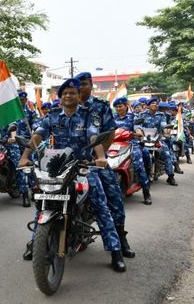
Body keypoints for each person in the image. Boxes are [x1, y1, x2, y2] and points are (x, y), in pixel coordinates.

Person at [19, 78, 126, 272]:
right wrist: (25, 156)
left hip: (84, 166)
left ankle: (116, 251)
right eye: (65, 93)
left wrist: (100, 157)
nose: (68, 95)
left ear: (78, 96)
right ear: (60, 97)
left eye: (72, 92)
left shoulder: (88, 115)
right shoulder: (52, 116)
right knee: (44, 201)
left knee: (100, 206)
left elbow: (94, 136)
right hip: (57, 167)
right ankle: (36, 243)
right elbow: (38, 135)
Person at [76, 72, 135, 259]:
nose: (80, 88)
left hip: (95, 161)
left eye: (84, 84)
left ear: (91, 85)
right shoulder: (65, 106)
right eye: (77, 84)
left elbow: (109, 133)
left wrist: (97, 156)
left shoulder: (100, 107)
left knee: (113, 197)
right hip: (69, 162)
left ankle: (120, 239)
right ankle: (38, 239)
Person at [113, 97, 152, 205]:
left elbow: (138, 128)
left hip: (131, 143)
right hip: (114, 144)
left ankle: (146, 192)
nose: (118, 109)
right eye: (116, 107)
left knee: (138, 165)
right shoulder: (112, 118)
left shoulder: (133, 117)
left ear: (126, 106)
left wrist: (138, 132)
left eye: (120, 106)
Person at [138, 98, 179, 185]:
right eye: (152, 103)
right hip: (144, 139)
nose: (155, 104)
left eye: (156, 103)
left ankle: (170, 176)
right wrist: (139, 133)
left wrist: (166, 129)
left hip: (157, 139)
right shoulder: (142, 114)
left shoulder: (161, 115)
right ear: (148, 106)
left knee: (167, 154)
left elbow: (163, 124)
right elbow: (138, 125)